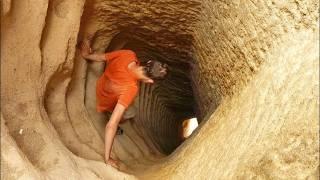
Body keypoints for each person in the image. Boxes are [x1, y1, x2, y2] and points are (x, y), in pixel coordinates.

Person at [79, 37, 167, 169]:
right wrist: (107, 158)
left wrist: (86, 55)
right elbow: (111, 125)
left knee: (125, 105)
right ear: (150, 82)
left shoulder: (128, 54)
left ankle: (112, 111)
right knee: (131, 111)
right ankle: (111, 114)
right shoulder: (131, 89)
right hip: (106, 102)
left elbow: (102, 57)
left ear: (147, 62)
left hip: (101, 86)